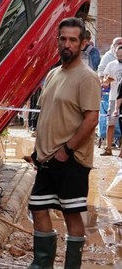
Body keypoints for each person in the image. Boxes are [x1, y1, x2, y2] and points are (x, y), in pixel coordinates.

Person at [28, 17, 100, 268]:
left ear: (83, 44)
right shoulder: (53, 74)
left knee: (71, 214)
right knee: (37, 207)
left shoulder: (87, 77)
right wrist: (37, 152)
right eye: (63, 39)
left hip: (71, 159)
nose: (66, 44)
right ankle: (42, 264)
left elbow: (91, 119)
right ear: (57, 41)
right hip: (47, 159)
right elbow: (48, 115)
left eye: (72, 40)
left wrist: (67, 150)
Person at [100, 45, 122, 156]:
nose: (120, 57)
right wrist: (107, 80)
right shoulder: (111, 65)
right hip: (113, 97)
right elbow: (104, 82)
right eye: (118, 55)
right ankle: (108, 147)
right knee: (111, 123)